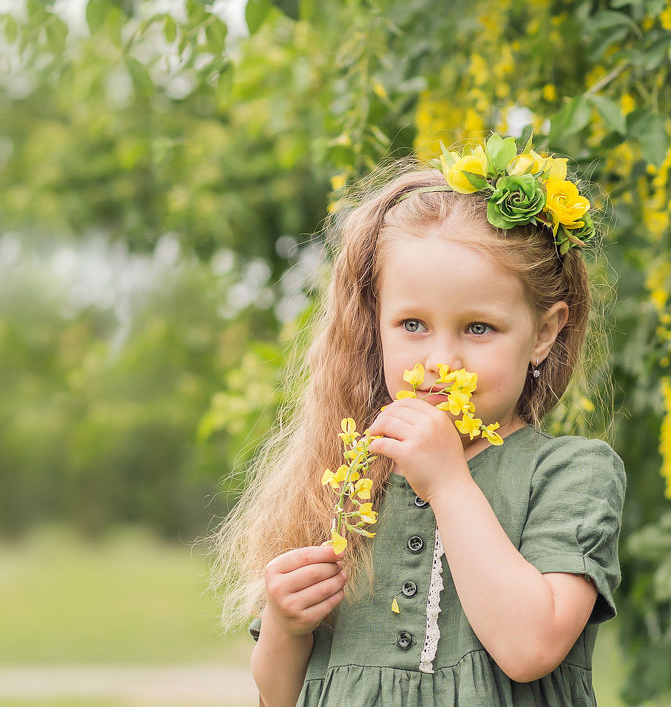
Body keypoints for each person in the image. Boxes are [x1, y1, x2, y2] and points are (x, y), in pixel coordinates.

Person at [207, 134, 626, 706]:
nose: (440, 361)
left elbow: (530, 649)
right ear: (374, 325)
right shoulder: (346, 478)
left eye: (479, 328)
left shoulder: (570, 473)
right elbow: (278, 698)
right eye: (412, 325)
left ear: (544, 333)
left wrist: (449, 483)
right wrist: (283, 627)